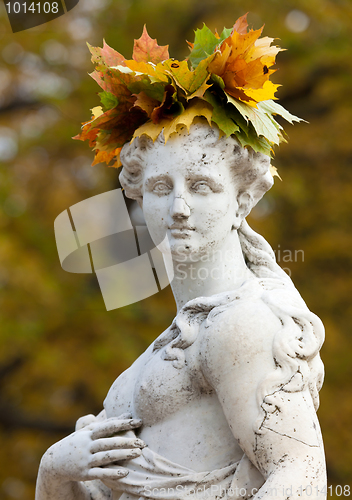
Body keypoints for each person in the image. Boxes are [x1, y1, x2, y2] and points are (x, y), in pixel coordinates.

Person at [36, 121, 326, 500]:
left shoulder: (242, 323)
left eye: (200, 186)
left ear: (242, 201)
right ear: (140, 198)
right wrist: (54, 471)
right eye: (160, 188)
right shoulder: (159, 354)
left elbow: (301, 474)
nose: (178, 209)